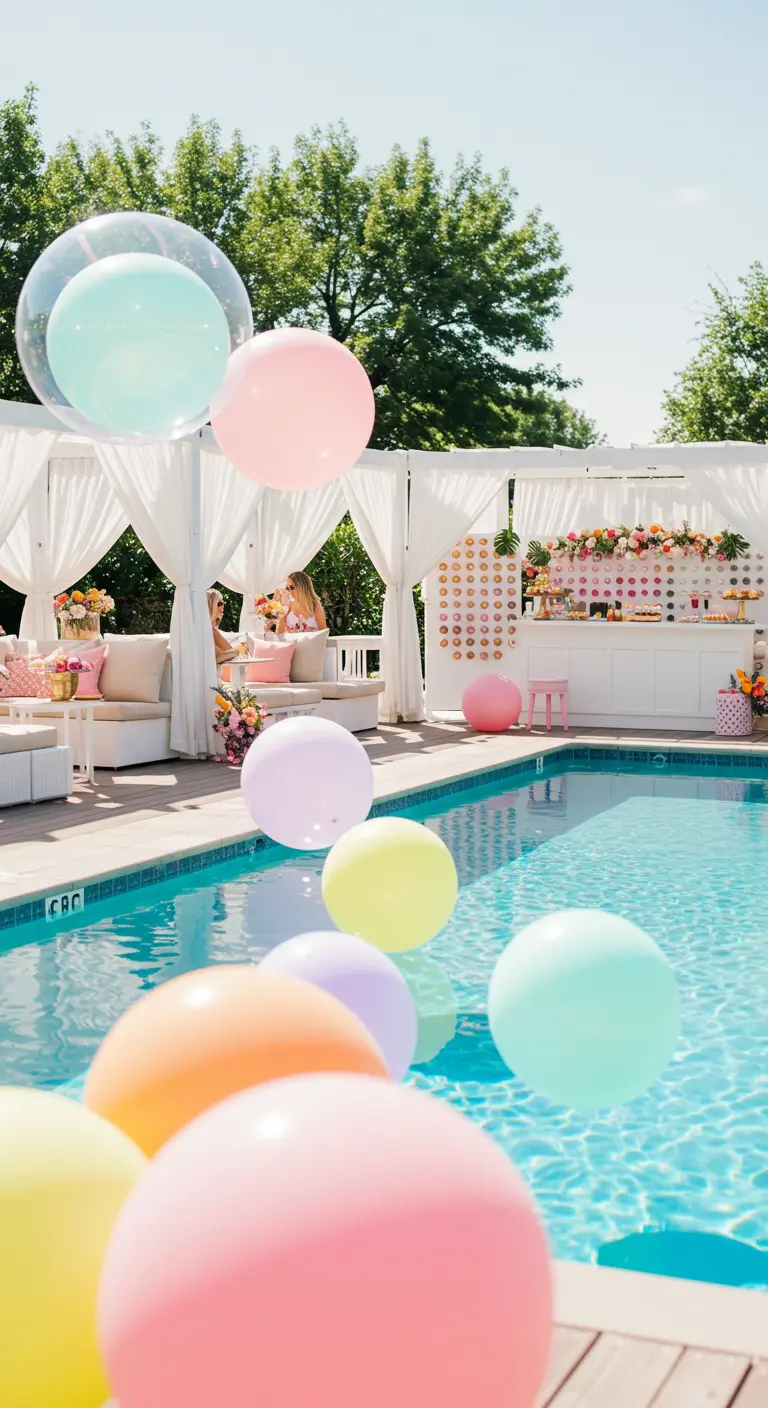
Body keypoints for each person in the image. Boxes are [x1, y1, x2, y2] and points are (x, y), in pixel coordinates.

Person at [208, 588, 237, 665]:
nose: (222, 607)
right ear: (210, 606)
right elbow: (218, 657)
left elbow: (226, 653)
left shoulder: (209, 629)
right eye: (219, 603)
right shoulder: (205, 630)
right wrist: (238, 650)